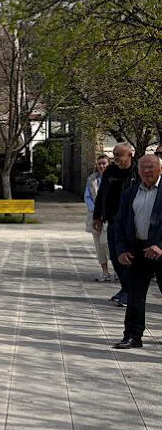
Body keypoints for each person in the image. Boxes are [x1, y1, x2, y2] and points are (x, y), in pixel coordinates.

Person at [112, 154, 162, 349]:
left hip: (159, 251)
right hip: (138, 251)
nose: (147, 171)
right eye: (143, 168)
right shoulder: (130, 192)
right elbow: (119, 223)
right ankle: (133, 336)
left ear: (159, 169)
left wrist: (160, 245)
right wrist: (122, 249)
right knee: (135, 297)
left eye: (151, 167)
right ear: (138, 170)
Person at [94, 143, 138, 307]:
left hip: (131, 223)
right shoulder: (110, 172)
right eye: (114, 154)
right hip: (113, 220)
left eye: (119, 154)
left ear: (130, 155)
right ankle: (125, 288)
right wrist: (97, 215)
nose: (116, 158)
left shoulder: (136, 172)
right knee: (114, 256)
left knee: (127, 257)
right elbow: (102, 194)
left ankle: (129, 292)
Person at [84, 154, 113, 283]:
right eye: (99, 163)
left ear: (108, 164)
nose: (102, 166)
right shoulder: (92, 179)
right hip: (95, 216)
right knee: (98, 246)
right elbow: (87, 197)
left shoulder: (114, 179)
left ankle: (119, 269)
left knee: (105, 243)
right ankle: (105, 271)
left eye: (104, 163)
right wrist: (96, 211)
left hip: (109, 217)